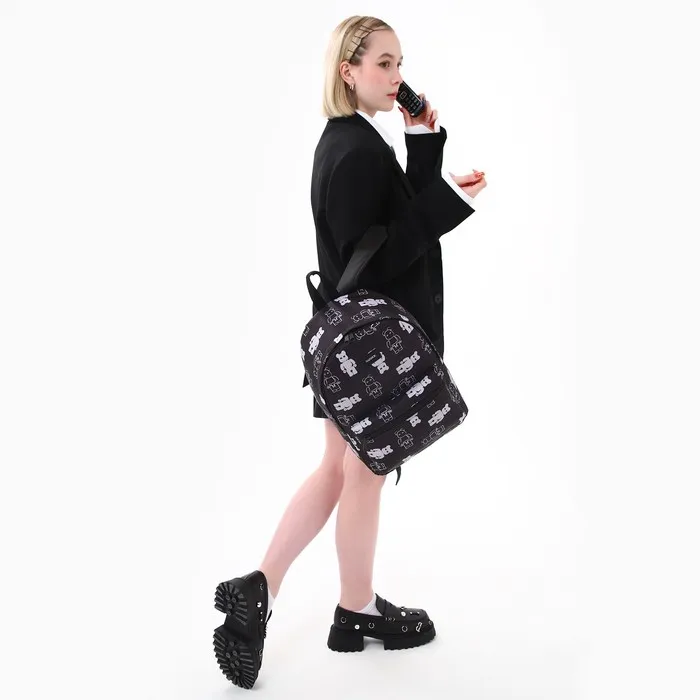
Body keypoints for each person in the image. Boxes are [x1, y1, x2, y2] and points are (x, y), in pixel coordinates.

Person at [213, 15, 487, 690]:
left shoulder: (351, 140)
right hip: (367, 349)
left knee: (338, 469)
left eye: (400, 65)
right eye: (383, 64)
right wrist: (450, 202)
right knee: (362, 471)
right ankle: (354, 609)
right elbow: (379, 257)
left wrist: (420, 145)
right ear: (349, 70)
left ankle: (262, 587)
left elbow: (385, 227)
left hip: (350, 345)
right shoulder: (355, 150)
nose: (397, 78)